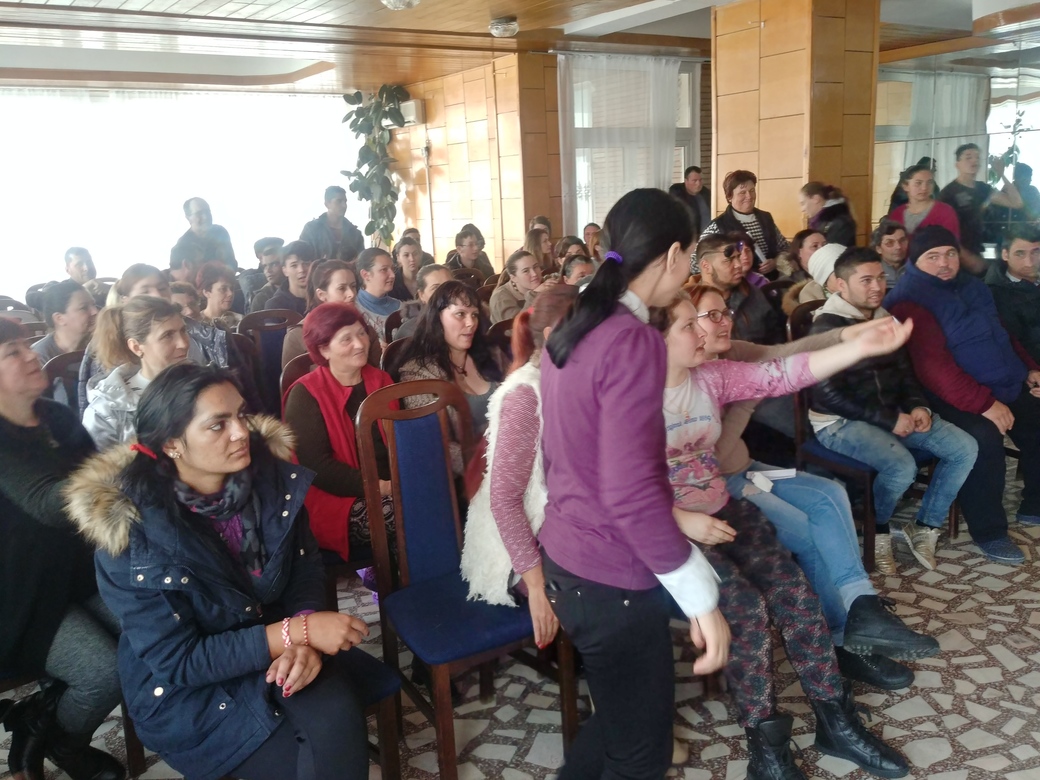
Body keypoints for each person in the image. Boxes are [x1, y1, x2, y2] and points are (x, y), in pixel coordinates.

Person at [652, 291, 919, 780]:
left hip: (723, 510)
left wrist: (858, 346)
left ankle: (836, 722)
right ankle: (767, 752)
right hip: (666, 532)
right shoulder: (630, 399)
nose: (704, 331)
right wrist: (678, 519)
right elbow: (613, 487)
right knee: (748, 609)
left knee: (795, 593)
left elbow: (784, 372)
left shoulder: (710, 376)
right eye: (689, 325)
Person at [66, 363, 378, 780]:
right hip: (191, 689)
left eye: (241, 415)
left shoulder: (271, 482)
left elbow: (304, 568)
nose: (241, 432)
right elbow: (179, 660)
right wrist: (294, 633)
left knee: (337, 728)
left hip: (273, 643)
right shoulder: (132, 532)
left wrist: (302, 629)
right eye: (218, 425)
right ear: (172, 444)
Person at [538, 189, 728, 779]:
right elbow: (632, 491)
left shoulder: (578, 322)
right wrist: (699, 595)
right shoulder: (633, 340)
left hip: (568, 556)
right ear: (672, 254)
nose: (690, 270)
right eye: (690, 256)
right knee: (641, 754)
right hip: (610, 574)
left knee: (618, 723)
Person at [689, 286, 940, 688]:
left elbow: (789, 354)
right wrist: (749, 400)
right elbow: (709, 460)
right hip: (717, 486)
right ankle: (842, 641)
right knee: (806, 532)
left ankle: (862, 610)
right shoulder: (686, 377)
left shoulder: (731, 352)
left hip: (745, 468)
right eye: (710, 316)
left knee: (830, 493)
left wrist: (848, 335)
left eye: (726, 312)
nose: (725, 322)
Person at [0, 318, 125, 780]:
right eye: (12, 352)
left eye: (25, 345)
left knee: (151, 627)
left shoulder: (56, 415)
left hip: (78, 572)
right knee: (103, 671)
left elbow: (101, 490)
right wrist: (133, 458)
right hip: (19, 592)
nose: (31, 354)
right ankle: (65, 745)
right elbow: (50, 504)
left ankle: (36, 721)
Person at [809, 247, 979, 572]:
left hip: (890, 414)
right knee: (901, 468)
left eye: (880, 278)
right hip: (839, 422)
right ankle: (877, 529)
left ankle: (925, 526)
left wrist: (918, 406)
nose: (877, 287)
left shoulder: (885, 318)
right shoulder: (826, 327)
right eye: (866, 280)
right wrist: (889, 419)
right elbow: (828, 396)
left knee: (964, 448)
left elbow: (904, 373)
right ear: (841, 285)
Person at [886, 225, 1040, 564]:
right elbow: (935, 369)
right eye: (933, 256)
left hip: (1000, 380)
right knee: (984, 437)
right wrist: (985, 404)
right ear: (915, 261)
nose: (944, 263)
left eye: (950, 254)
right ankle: (990, 531)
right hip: (944, 396)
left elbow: (1002, 333)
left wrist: (1030, 368)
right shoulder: (910, 300)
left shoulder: (972, 285)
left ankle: (1035, 503)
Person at [284, 303, 396, 561]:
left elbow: (402, 440)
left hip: (392, 487)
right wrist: (382, 487)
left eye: (361, 333)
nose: (359, 344)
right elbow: (317, 467)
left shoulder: (382, 381)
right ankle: (397, 577)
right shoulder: (305, 395)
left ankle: (406, 574)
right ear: (324, 349)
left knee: (437, 496)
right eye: (346, 339)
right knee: (408, 512)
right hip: (336, 499)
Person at [398, 280, 504, 440]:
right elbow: (435, 443)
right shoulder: (418, 373)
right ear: (437, 318)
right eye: (460, 314)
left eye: (474, 315)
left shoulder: (492, 354)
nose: (471, 323)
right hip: (467, 455)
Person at [82, 296, 191, 449]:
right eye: (168, 335)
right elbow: (99, 464)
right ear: (136, 347)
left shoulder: (206, 385)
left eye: (183, 331)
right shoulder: (107, 411)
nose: (183, 343)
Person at [939, 143, 1022, 273]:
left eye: (977, 157)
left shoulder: (983, 189)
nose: (974, 160)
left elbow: (1016, 202)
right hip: (958, 255)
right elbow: (942, 232)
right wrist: (967, 258)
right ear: (957, 164)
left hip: (979, 251)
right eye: (968, 157)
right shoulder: (948, 193)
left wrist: (1002, 174)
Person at [281, 260, 379, 371]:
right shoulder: (296, 336)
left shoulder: (365, 330)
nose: (351, 294)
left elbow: (376, 373)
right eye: (341, 288)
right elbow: (290, 379)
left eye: (353, 286)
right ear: (321, 295)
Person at [696, 234, 784, 345]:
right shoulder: (690, 303)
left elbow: (775, 337)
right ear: (706, 266)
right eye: (729, 260)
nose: (738, 264)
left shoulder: (752, 294)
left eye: (738, 257)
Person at [701, 170, 788, 278]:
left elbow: (784, 247)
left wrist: (775, 262)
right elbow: (696, 262)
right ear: (729, 196)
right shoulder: (718, 225)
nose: (749, 196)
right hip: (737, 283)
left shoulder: (766, 218)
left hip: (770, 281)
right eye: (742, 193)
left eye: (752, 191)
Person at [987, 224, 1040, 364]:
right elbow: (1016, 344)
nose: (1029, 262)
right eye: (1020, 254)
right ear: (1005, 254)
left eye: (1036, 252)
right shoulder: (994, 294)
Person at [888, 163, 961, 243]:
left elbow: (952, 243)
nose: (924, 188)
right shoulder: (897, 214)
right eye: (918, 183)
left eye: (929, 182)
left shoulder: (945, 211)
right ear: (905, 186)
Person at [34, 280, 98, 364]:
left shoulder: (100, 343)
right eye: (84, 308)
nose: (95, 311)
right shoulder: (41, 356)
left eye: (93, 305)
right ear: (59, 319)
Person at [300, 185, 365, 262]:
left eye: (345, 201)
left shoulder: (355, 234)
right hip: (319, 270)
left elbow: (362, 262)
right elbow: (302, 257)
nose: (344, 205)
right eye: (339, 201)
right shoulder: (311, 229)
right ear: (327, 203)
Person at [353, 248, 402, 348]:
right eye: (384, 270)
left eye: (393, 269)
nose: (392, 275)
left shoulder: (402, 308)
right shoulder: (353, 309)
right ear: (366, 275)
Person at [173, 197, 237, 269]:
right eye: (199, 213)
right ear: (188, 218)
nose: (205, 217)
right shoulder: (183, 245)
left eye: (207, 212)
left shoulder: (220, 232)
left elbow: (232, 263)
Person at [394, 264, 451, 341]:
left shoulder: (466, 321)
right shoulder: (410, 332)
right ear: (421, 295)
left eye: (449, 286)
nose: (444, 292)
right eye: (435, 288)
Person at [489, 249, 543, 325]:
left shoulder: (543, 285)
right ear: (514, 278)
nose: (534, 274)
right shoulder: (500, 298)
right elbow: (518, 326)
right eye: (526, 271)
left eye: (535, 267)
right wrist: (534, 295)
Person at [266, 240, 316, 316]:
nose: (301, 270)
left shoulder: (324, 297)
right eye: (294, 265)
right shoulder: (275, 306)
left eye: (306, 264)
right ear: (285, 270)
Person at [800, 182, 857, 246]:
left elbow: (833, 250)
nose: (802, 209)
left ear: (816, 199)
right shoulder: (821, 221)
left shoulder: (839, 222)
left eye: (803, 203)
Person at [196, 262, 243, 330]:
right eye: (223, 289)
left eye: (232, 288)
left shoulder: (240, 321)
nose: (230, 293)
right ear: (206, 292)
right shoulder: (197, 325)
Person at [241, 237, 284, 310]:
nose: (268, 270)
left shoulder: (299, 288)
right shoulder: (261, 298)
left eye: (274, 264)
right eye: (265, 266)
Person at [669, 165, 712, 236]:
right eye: (694, 181)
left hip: (708, 236)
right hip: (687, 236)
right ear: (686, 181)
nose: (698, 184)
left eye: (700, 180)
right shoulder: (678, 194)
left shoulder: (706, 193)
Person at [872, 220, 911, 288]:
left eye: (902, 241)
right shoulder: (872, 271)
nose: (898, 247)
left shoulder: (916, 268)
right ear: (879, 249)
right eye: (890, 243)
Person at [389, 236, 422, 301]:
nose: (412, 259)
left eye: (415, 254)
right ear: (398, 257)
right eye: (406, 255)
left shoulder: (428, 277)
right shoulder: (392, 282)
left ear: (420, 255)